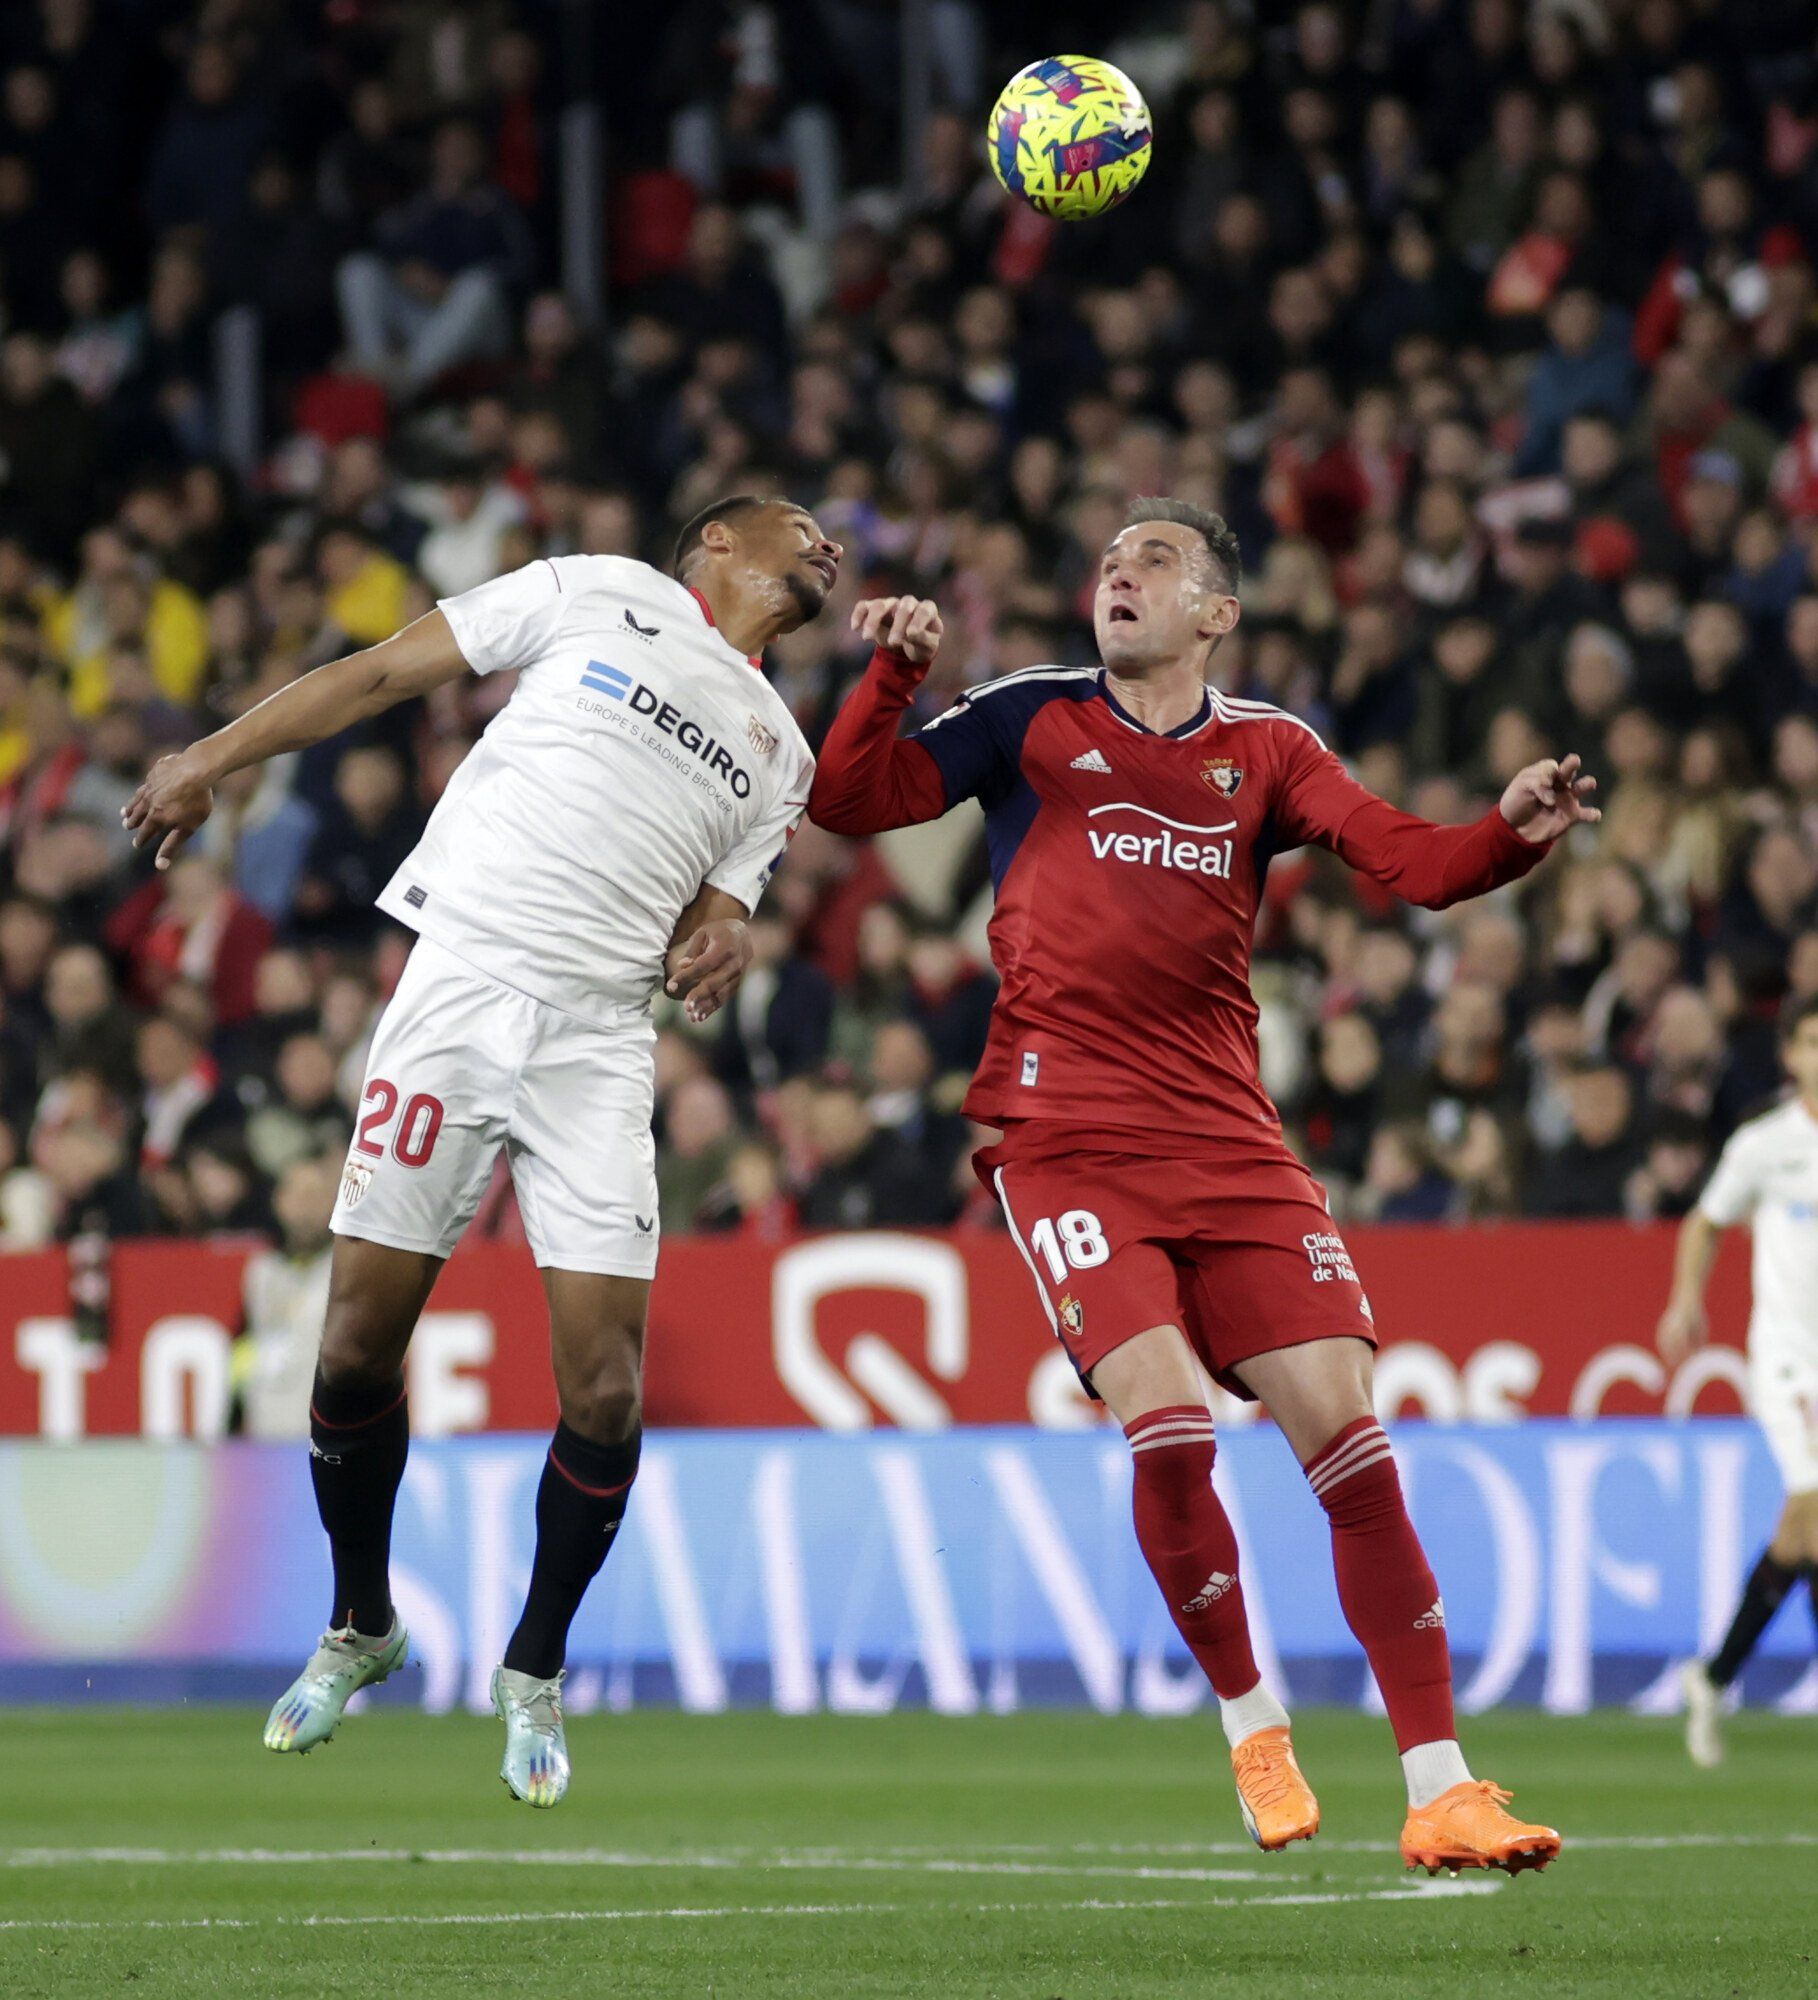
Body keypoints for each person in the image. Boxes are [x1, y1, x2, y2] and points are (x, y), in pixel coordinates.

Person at [808, 498, 1590, 1873]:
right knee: (1167, 1428)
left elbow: (1412, 864)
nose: (1118, 574)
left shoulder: (1267, 751)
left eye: (1152, 561)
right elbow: (849, 801)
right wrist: (892, 678)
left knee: (1350, 1448)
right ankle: (1250, 1717)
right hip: (1064, 1142)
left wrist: (1509, 831)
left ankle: (1441, 1785)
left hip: (1231, 1145)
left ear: (1214, 613)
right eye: (1108, 560)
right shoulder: (1027, 718)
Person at [124, 493, 834, 1805]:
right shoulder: (593, 589)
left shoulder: (782, 749)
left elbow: (727, 904)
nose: (829, 545)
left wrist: (724, 936)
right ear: (719, 545)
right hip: (459, 992)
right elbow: (386, 670)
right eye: (801, 525)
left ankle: (533, 1670)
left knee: (607, 1387)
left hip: (600, 1042)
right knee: (349, 1346)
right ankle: (360, 1625)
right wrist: (214, 756)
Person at [1656, 993, 1818, 1767]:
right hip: (1788, 1358)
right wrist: (1687, 1297)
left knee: (1807, 1533)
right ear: (1790, 1054)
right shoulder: (1765, 1143)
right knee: (1812, 1502)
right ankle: (1714, 1677)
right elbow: (1707, 1220)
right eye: (1813, 1042)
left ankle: (1714, 1677)